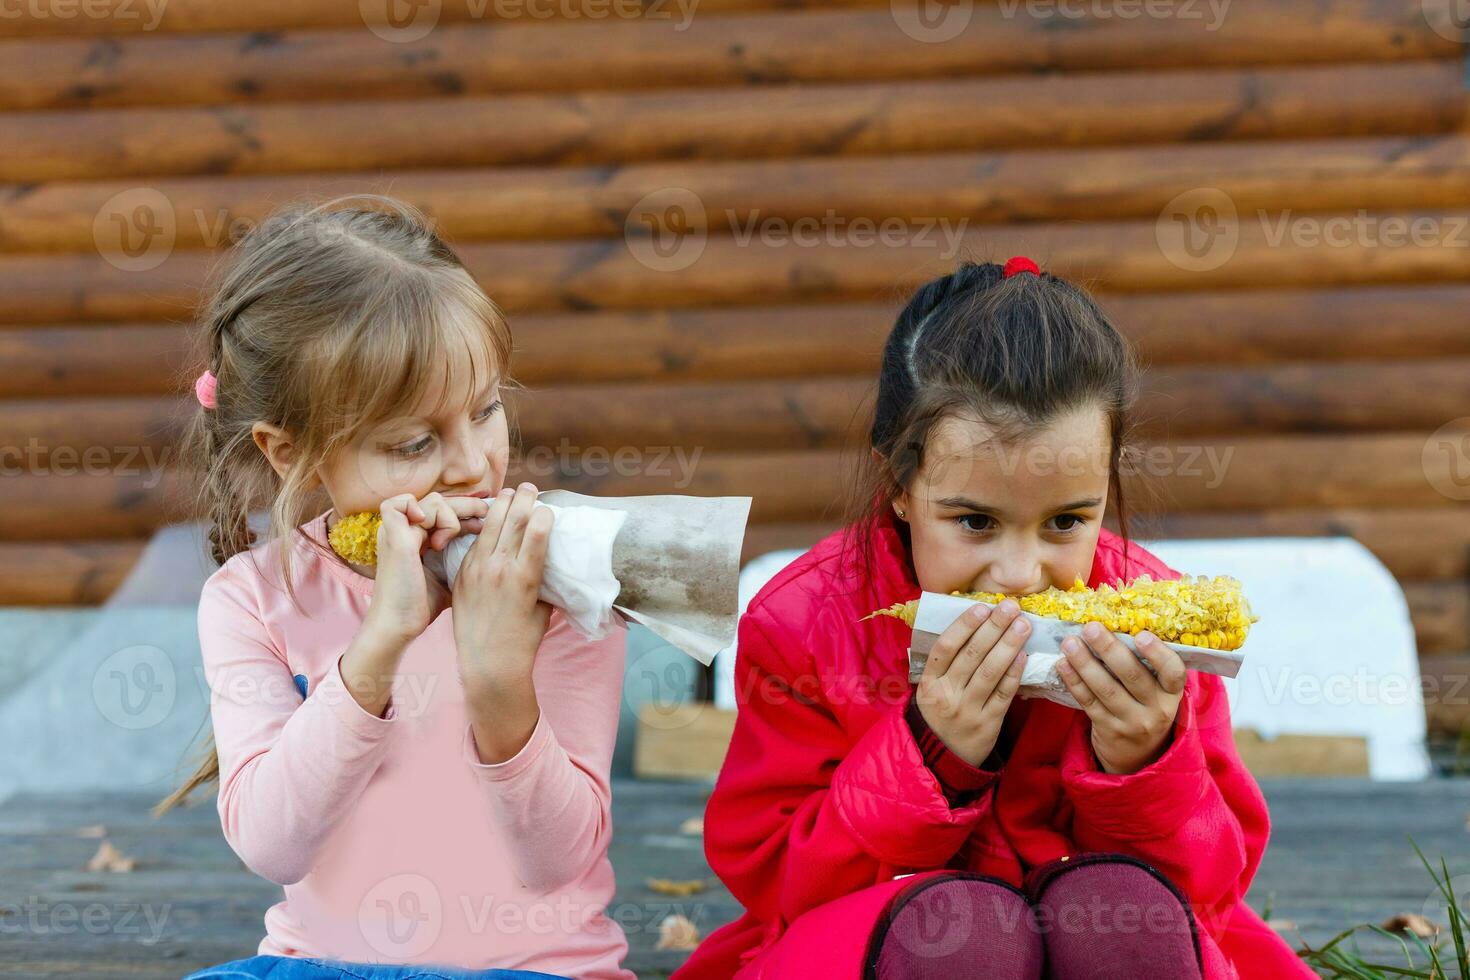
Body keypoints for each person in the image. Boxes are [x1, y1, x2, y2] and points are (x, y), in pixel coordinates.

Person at [672, 257, 1314, 979]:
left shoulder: (1155, 635)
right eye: (975, 521)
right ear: (901, 486)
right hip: (882, 946)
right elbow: (776, 884)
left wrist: (1144, 765)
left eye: (1067, 520)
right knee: (967, 932)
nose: (1018, 574)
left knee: (1122, 912)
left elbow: (1213, 887)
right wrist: (923, 756)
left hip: (1094, 944)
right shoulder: (803, 624)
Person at [156, 195, 634, 980]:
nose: (473, 463)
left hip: (537, 972)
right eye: (415, 442)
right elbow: (271, 842)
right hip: (320, 968)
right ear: (289, 453)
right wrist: (379, 645)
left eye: (486, 410)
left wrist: (496, 679)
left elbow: (557, 860)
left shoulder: (559, 581)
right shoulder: (253, 599)